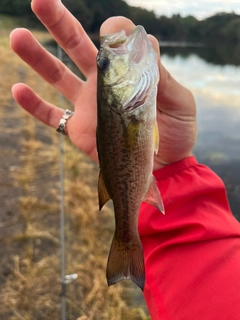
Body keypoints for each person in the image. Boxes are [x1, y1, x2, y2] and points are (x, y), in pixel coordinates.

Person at [10, 0, 240, 319]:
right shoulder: (129, 102)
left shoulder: (135, 100)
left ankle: (127, 241)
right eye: (107, 63)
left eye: (103, 63)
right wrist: (174, 168)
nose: (111, 56)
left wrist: (169, 164)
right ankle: (126, 241)